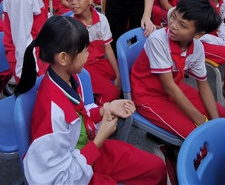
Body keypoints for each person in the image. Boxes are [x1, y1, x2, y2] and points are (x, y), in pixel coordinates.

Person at [14, 16, 167, 185]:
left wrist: (106, 108)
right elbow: (61, 180)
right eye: (85, 50)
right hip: (74, 171)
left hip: (85, 153)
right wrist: (100, 137)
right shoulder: (52, 113)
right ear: (63, 58)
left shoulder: (69, 79)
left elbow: (78, 116)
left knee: (156, 168)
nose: (89, 54)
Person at [131, 0, 225, 138]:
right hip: (148, 94)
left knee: (223, 118)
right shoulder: (158, 40)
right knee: (199, 136)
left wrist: (215, 121)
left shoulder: (197, 48)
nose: (173, 25)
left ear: (198, 34)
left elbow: (203, 84)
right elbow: (169, 86)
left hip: (174, 88)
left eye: (183, 25)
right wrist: (201, 121)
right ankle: (169, 147)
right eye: (174, 17)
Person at [68, 0, 120, 105]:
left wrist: (118, 75)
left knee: (124, 75)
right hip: (83, 66)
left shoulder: (102, 19)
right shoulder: (71, 25)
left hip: (100, 62)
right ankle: (98, 109)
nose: (73, 2)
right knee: (111, 92)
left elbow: (108, 48)